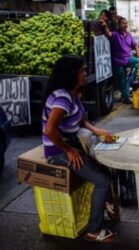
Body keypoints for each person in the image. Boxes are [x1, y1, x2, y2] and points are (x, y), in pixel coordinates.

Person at [42, 55, 117, 243]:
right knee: (102, 181)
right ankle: (94, 231)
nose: (85, 74)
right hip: (57, 152)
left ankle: (105, 205)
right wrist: (68, 150)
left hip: (71, 143)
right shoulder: (62, 98)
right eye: (82, 71)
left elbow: (80, 119)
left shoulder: (73, 93)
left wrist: (97, 130)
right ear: (71, 75)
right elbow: (50, 130)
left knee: (103, 168)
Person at [100, 17, 139, 104]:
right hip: (118, 61)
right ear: (118, 25)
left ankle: (132, 82)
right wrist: (105, 26)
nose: (125, 25)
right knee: (122, 80)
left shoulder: (129, 35)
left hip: (128, 58)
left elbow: (135, 45)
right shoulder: (115, 34)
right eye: (123, 23)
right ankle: (126, 98)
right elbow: (108, 34)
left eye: (126, 23)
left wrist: (138, 53)